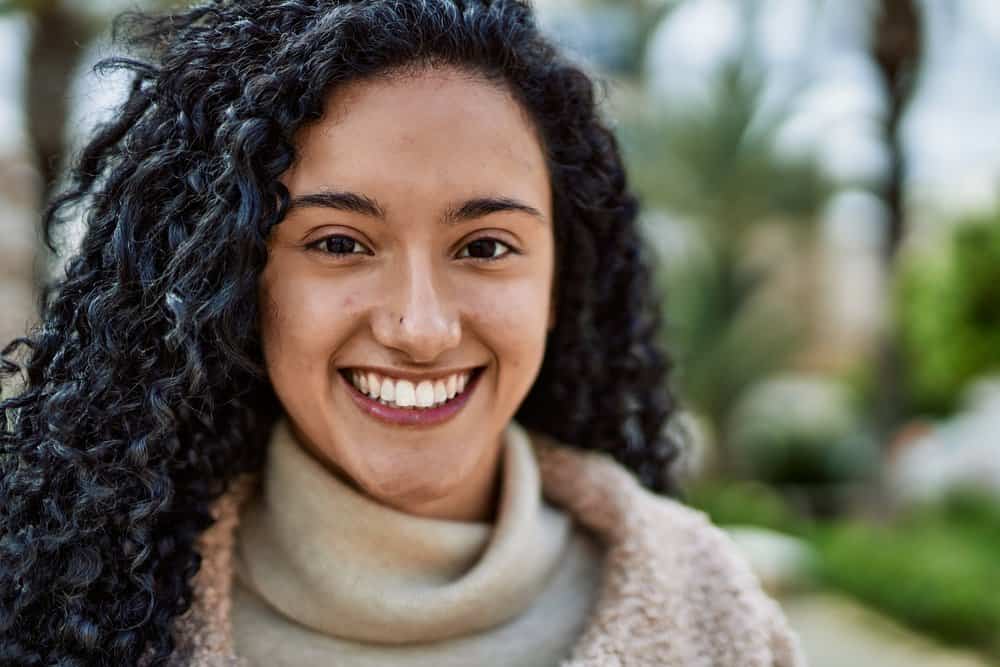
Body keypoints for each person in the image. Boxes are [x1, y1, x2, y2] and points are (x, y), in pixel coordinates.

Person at [0, 1, 806, 665]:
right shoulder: (67, 611)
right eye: (340, 244)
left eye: (485, 247)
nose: (420, 328)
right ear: (243, 278)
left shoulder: (717, 622)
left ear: (561, 281)